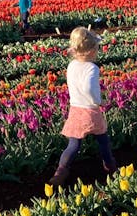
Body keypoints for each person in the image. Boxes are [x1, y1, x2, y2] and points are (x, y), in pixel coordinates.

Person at [49, 27, 117, 186]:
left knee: (74, 144)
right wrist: (97, 101)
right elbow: (89, 88)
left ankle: (60, 170)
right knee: (103, 140)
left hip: (75, 109)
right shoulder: (92, 68)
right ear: (92, 51)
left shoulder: (72, 65)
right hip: (90, 111)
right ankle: (110, 166)